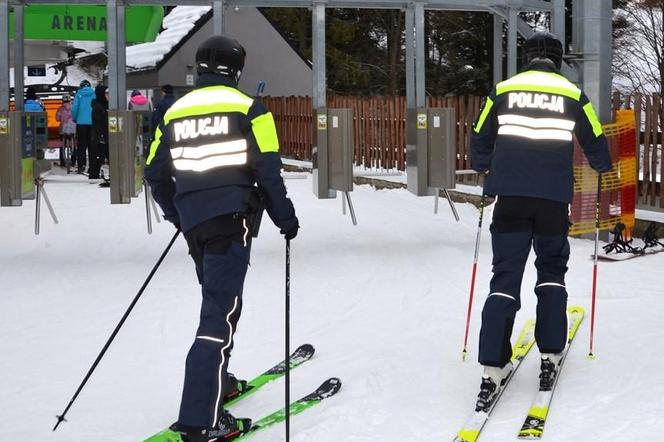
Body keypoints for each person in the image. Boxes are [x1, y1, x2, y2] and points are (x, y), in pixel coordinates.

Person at [144, 34, 299, 442]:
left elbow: (155, 174)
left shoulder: (170, 110)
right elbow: (268, 170)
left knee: (218, 300)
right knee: (219, 313)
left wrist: (179, 215)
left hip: (196, 223)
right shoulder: (250, 108)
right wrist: (286, 218)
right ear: (237, 69)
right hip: (234, 218)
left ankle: (220, 382)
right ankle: (200, 419)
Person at [470, 32, 612, 410]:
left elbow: (480, 135)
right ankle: (550, 354)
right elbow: (596, 139)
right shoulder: (572, 94)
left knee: (505, 276)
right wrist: (602, 166)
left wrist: (483, 166)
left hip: (510, 199)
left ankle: (491, 366)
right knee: (551, 271)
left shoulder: (502, 90)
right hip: (552, 200)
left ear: (527, 56)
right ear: (559, 59)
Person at [71, 80, 95, 173]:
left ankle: (81, 165)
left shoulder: (78, 95)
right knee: (92, 146)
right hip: (92, 123)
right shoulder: (94, 94)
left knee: (81, 145)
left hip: (81, 123)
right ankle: (92, 167)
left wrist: (75, 118)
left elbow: (74, 108)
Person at [88, 85, 109, 180]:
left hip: (106, 135)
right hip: (100, 137)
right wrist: (101, 135)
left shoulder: (105, 105)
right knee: (99, 157)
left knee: (105, 156)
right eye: (106, 93)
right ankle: (94, 175)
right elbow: (97, 123)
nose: (108, 95)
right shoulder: (98, 107)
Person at [56, 95, 76, 168]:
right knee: (74, 144)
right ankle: (73, 160)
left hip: (63, 129)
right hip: (73, 128)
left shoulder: (60, 109)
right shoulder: (73, 108)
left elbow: (57, 118)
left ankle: (62, 161)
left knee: (62, 145)